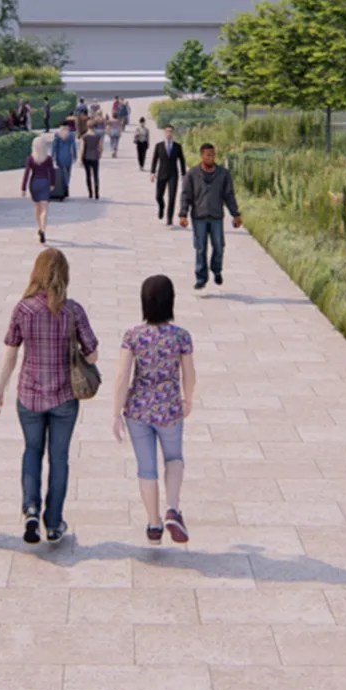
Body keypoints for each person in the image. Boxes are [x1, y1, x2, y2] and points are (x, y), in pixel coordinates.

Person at [0, 248, 98, 547]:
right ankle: (53, 524)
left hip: (29, 395)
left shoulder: (22, 309)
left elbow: (11, 354)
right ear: (64, 274)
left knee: (32, 451)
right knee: (59, 458)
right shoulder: (73, 310)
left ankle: (30, 509)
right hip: (64, 396)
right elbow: (93, 353)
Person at [111, 275, 195, 544]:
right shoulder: (181, 336)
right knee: (174, 458)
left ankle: (154, 523)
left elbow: (122, 376)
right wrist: (188, 398)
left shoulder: (133, 335)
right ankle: (173, 508)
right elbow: (189, 373)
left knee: (146, 468)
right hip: (169, 407)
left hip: (138, 410)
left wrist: (115, 412)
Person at [179, 142, 242, 290]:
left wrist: (235, 214)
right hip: (199, 216)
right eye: (208, 155)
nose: (211, 158)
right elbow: (186, 195)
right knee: (200, 248)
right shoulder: (192, 174)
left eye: (213, 155)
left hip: (216, 217)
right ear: (201, 156)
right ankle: (201, 278)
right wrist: (183, 214)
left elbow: (229, 196)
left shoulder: (223, 174)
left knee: (219, 246)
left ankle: (216, 269)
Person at [21, 133, 57, 244]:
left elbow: (27, 173)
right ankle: (43, 229)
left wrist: (23, 188)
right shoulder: (48, 159)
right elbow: (52, 172)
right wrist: (52, 184)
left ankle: (39, 227)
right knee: (45, 208)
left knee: (37, 207)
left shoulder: (30, 159)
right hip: (45, 183)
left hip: (34, 183)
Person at [150, 125, 186, 225]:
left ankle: (169, 218)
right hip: (161, 174)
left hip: (173, 175)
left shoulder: (177, 147)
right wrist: (152, 173)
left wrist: (184, 175)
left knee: (172, 197)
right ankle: (161, 207)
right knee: (158, 196)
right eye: (167, 131)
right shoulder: (159, 146)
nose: (169, 133)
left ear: (173, 133)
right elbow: (154, 160)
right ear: (164, 133)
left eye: (170, 131)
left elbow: (182, 161)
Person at [51, 120, 77, 202]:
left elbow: (54, 146)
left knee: (61, 173)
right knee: (68, 173)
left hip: (59, 156)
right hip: (68, 156)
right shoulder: (70, 135)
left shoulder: (57, 134)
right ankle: (67, 185)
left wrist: (53, 156)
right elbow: (74, 146)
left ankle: (62, 188)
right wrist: (75, 156)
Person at [79, 121, 104, 200]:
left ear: (87, 126)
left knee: (88, 175)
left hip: (86, 157)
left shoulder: (84, 137)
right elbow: (101, 147)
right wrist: (99, 155)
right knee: (96, 175)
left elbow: (82, 148)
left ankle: (90, 193)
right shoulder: (98, 136)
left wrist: (80, 158)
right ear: (94, 127)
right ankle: (97, 193)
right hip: (95, 156)